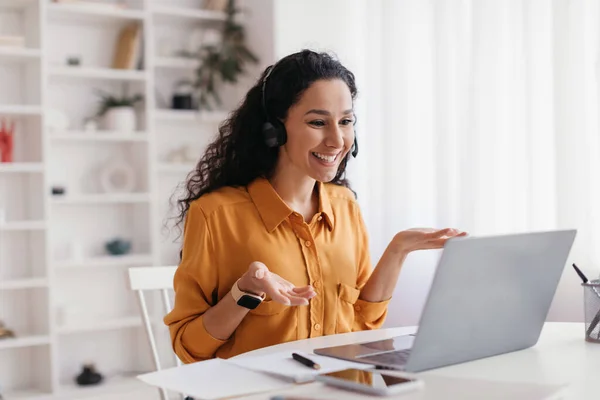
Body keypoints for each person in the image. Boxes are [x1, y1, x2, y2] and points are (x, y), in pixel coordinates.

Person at [164, 50, 465, 363]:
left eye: (346, 121)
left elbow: (362, 326)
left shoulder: (345, 207)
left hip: (336, 387)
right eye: (318, 122)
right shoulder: (216, 215)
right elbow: (190, 347)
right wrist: (245, 292)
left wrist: (398, 250)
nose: (337, 140)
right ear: (274, 130)